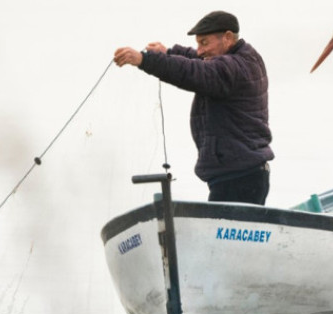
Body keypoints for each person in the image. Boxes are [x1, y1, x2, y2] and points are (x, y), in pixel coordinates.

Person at [114, 11, 274, 205]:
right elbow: (199, 60)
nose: (199, 50)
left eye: (204, 43)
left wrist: (144, 60)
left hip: (239, 179)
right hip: (242, 173)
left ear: (228, 37)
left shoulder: (233, 68)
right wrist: (169, 53)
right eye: (198, 43)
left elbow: (193, 71)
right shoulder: (243, 56)